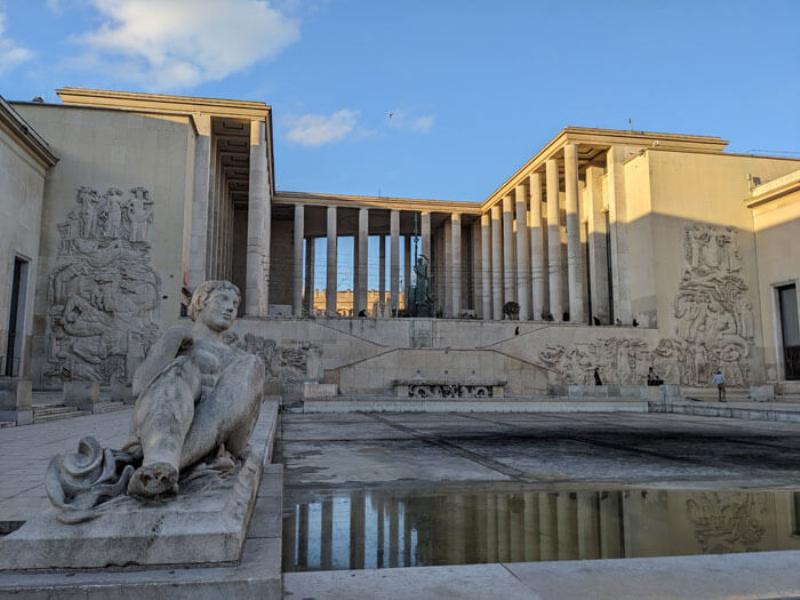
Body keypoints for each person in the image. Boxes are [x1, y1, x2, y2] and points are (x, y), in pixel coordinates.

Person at [126, 280, 265, 498]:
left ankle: (164, 467)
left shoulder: (239, 359)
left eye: (235, 304)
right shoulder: (179, 341)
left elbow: (239, 441)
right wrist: (171, 340)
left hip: (218, 436)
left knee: (252, 363)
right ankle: (160, 462)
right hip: (163, 427)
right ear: (200, 302)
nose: (230, 308)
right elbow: (140, 387)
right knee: (182, 366)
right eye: (222, 299)